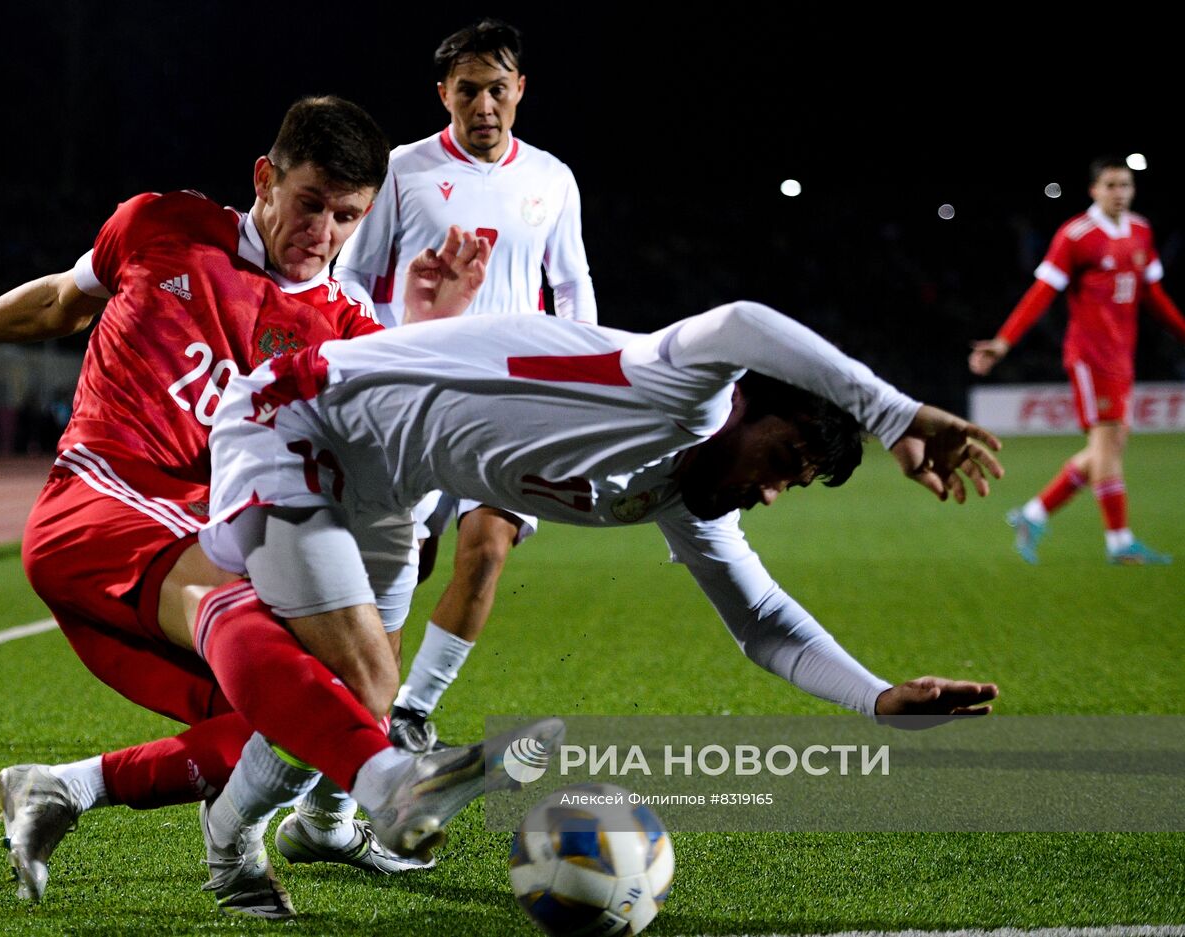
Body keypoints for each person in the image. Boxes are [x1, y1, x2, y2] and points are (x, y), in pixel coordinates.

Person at [0, 95, 505, 918]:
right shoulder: (161, 224)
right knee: (292, 653)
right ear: (266, 178)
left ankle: (62, 789)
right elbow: (63, 301)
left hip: (196, 539)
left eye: (348, 216)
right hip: (100, 499)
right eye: (311, 203)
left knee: (309, 713)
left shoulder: (349, 329)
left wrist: (431, 331)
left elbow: (406, 435)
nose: (323, 231)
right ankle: (386, 776)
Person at [196, 301, 1003, 847]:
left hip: (382, 486)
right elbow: (743, 321)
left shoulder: (693, 500)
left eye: (786, 487)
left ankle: (223, 827)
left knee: (358, 699)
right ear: (745, 405)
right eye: (781, 460)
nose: (767, 491)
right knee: (361, 681)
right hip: (292, 421)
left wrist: (876, 695)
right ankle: (373, 789)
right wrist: (894, 411)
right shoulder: (679, 390)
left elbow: (761, 621)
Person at [335, 18, 597, 752]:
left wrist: (578, 377)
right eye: (468, 91)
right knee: (404, 561)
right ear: (444, 94)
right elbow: (350, 272)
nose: (484, 105)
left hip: (510, 404)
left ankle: (412, 710)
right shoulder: (404, 167)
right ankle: (358, 706)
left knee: (488, 548)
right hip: (418, 395)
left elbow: (572, 285)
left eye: (497, 89)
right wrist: (385, 345)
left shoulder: (551, 179)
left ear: (520, 90)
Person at [970, 156, 1185, 565]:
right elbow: (1042, 292)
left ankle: (1032, 515)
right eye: (1111, 186)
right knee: (1106, 446)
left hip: (1123, 355)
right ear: (1094, 190)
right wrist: (1003, 342)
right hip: (1089, 357)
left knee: (1109, 446)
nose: (1120, 193)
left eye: (1126, 185)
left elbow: (1153, 296)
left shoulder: (1141, 230)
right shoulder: (1076, 235)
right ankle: (1119, 542)